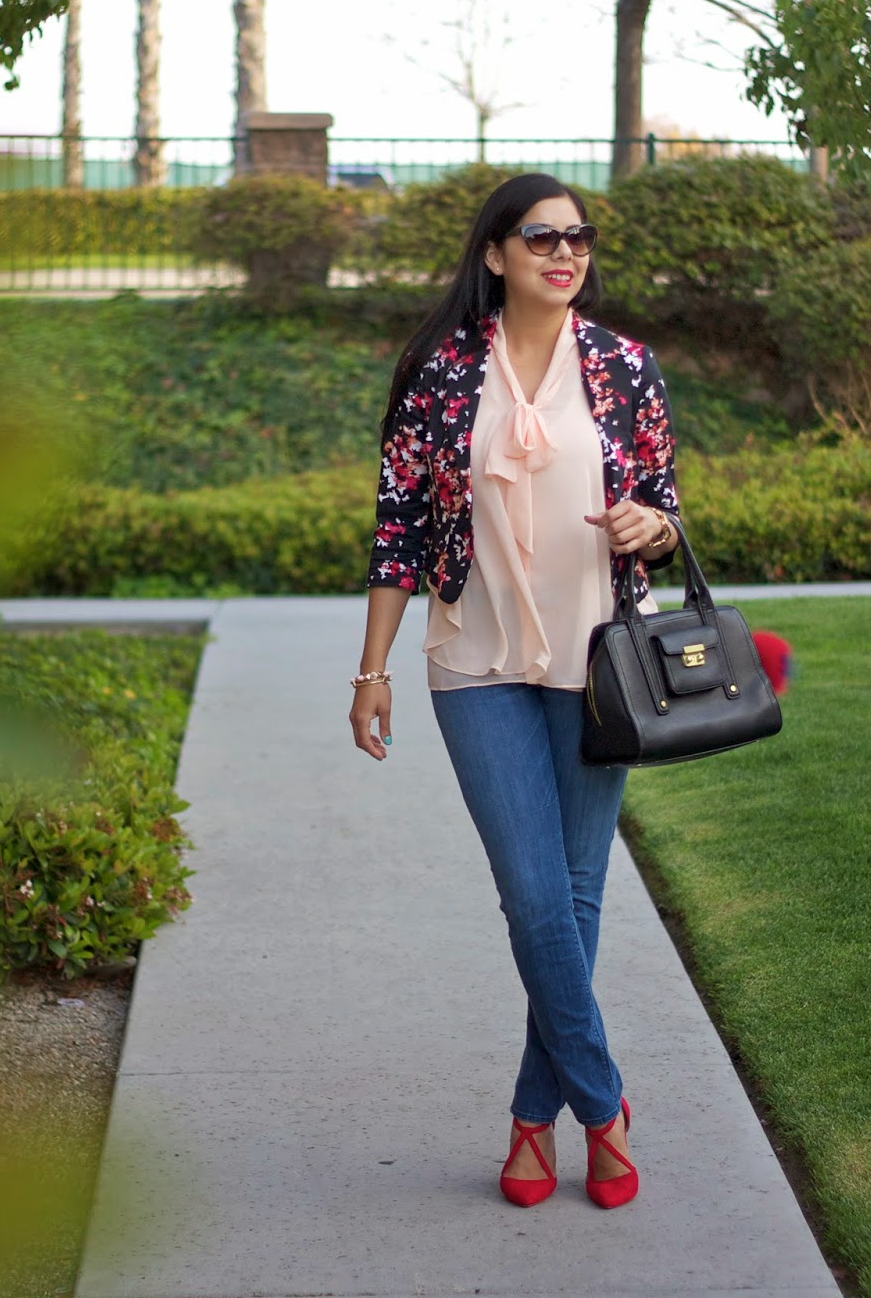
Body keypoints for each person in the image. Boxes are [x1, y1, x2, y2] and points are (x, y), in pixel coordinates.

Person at [349, 173, 679, 1209]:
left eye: (577, 238)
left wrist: (649, 528)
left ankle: (534, 1119)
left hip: (598, 667)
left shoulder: (626, 369)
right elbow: (398, 525)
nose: (564, 254)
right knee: (536, 897)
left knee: (574, 903)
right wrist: (372, 670)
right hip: (473, 662)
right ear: (495, 253)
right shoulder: (439, 373)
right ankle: (605, 1102)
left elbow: (666, 507)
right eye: (542, 237)